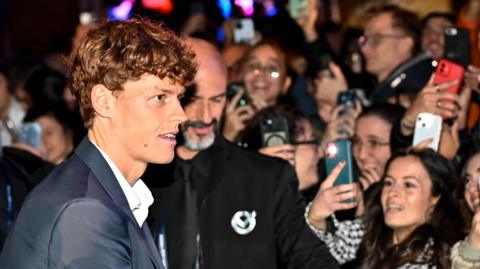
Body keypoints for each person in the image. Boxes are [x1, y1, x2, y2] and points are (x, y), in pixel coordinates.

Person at [0, 18, 196, 269]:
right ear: (103, 102)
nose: (180, 114)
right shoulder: (86, 213)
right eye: (159, 97)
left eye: (179, 98)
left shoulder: (101, 191)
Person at [142, 38, 339, 269]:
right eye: (192, 100)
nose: (206, 116)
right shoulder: (136, 174)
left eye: (217, 100)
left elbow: (309, 257)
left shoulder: (266, 177)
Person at [307, 149, 464, 268]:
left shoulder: (437, 256)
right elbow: (328, 249)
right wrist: (316, 215)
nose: (392, 193)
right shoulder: (370, 232)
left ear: (435, 198)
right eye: (388, 183)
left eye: (409, 185)